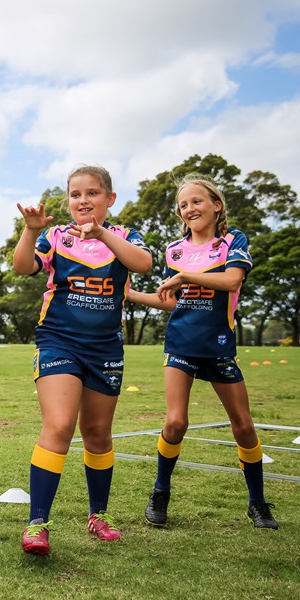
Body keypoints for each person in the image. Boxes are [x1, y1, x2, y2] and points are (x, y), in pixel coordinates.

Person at [12, 165, 152, 555]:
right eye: (75, 194)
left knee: (97, 433)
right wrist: (31, 230)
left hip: (106, 349)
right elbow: (23, 267)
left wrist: (101, 234)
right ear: (67, 200)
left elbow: (143, 264)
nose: (83, 201)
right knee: (58, 425)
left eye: (92, 193)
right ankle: (37, 523)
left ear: (110, 199)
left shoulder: (124, 237)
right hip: (58, 343)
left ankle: (98, 515)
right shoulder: (56, 237)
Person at [127, 173, 278, 530]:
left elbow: (232, 281)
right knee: (176, 422)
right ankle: (160, 491)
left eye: (196, 201)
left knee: (243, 426)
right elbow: (172, 303)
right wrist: (130, 296)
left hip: (219, 347)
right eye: (183, 204)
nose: (189, 208)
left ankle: (257, 502)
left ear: (216, 205)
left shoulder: (232, 241)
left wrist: (186, 277)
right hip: (180, 345)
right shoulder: (174, 251)